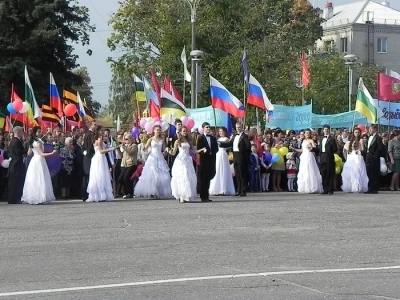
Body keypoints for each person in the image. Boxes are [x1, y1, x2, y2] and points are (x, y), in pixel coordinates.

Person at [21, 126, 58, 205]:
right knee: (41, 178)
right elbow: (41, 154)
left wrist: (34, 149)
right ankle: (40, 197)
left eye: (40, 131)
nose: (40, 133)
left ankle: (33, 196)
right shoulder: (39, 142)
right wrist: (52, 153)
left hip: (34, 161)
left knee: (34, 178)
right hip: (39, 161)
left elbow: (29, 153)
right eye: (38, 131)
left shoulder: (32, 142)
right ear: (35, 133)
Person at [168, 126, 204, 203]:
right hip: (180, 160)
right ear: (180, 132)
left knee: (188, 177)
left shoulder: (189, 141)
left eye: (186, 131)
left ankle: (186, 195)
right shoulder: (177, 141)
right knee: (182, 177)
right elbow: (173, 152)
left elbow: (194, 151)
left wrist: (201, 149)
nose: (185, 132)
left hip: (188, 160)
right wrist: (168, 151)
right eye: (183, 131)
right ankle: (181, 196)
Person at [134, 125, 172, 199]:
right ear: (154, 131)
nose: (158, 131)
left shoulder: (162, 139)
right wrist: (143, 145)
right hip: (152, 158)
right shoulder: (151, 139)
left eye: (159, 130)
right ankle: (152, 192)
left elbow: (164, 149)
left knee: (161, 176)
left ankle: (158, 192)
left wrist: (167, 149)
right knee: (152, 175)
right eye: (157, 130)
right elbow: (145, 148)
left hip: (160, 158)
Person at [219, 122, 251, 197]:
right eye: (237, 127)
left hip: (241, 155)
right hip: (235, 155)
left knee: (242, 173)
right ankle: (238, 190)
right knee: (237, 174)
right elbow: (229, 143)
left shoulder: (244, 136)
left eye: (239, 127)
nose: (238, 129)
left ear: (242, 127)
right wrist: (221, 144)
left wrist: (244, 153)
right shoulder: (234, 135)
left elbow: (248, 146)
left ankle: (243, 190)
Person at [86, 126, 117, 202]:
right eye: (101, 130)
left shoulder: (97, 139)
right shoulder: (99, 139)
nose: (103, 132)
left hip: (99, 158)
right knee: (101, 175)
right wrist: (112, 149)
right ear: (98, 131)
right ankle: (101, 194)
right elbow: (101, 151)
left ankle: (99, 195)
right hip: (100, 158)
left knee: (100, 175)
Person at [291, 129, 323, 194]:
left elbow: (314, 147)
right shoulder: (303, 141)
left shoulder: (311, 140)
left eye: (308, 133)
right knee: (304, 171)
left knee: (310, 170)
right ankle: (304, 187)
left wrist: (311, 147)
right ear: (304, 134)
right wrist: (294, 149)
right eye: (306, 133)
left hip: (309, 156)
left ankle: (312, 187)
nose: (307, 134)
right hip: (304, 157)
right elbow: (302, 150)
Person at [209, 127, 235, 196]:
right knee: (217, 170)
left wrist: (230, 140)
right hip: (218, 155)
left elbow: (224, 144)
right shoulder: (218, 139)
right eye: (219, 131)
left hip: (223, 155)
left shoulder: (226, 139)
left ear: (225, 132)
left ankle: (223, 189)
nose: (221, 133)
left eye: (222, 131)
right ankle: (216, 188)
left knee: (223, 170)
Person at [341, 127, 368, 193]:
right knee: (350, 172)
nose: (357, 133)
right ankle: (350, 186)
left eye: (358, 132)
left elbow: (362, 149)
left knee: (357, 172)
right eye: (356, 132)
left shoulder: (361, 140)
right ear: (353, 133)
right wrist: (348, 149)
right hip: (351, 156)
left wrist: (358, 151)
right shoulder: (350, 140)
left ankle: (357, 187)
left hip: (357, 156)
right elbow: (347, 148)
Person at [196, 122, 218, 202]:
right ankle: (203, 196)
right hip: (204, 161)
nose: (208, 129)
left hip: (211, 161)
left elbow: (216, 148)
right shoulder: (200, 138)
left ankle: (207, 196)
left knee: (209, 177)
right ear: (203, 128)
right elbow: (198, 149)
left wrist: (212, 152)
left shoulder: (213, 138)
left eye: (209, 127)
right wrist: (205, 152)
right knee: (203, 179)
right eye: (206, 127)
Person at [7, 126, 26, 204]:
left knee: (13, 183)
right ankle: (15, 199)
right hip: (16, 165)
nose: (22, 133)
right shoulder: (16, 141)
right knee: (16, 183)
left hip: (13, 164)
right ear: (17, 132)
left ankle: (12, 199)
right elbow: (18, 152)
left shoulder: (12, 141)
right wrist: (25, 151)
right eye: (21, 131)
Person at [365, 124, 384, 194]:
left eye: (371, 129)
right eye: (369, 129)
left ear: (375, 129)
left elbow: (380, 148)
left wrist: (374, 155)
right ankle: (370, 188)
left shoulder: (378, 137)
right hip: (368, 156)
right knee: (369, 172)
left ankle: (374, 188)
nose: (370, 130)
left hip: (374, 157)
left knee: (374, 173)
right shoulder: (369, 137)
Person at [319, 125, 338, 194]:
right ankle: (325, 189)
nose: (326, 130)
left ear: (329, 130)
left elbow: (335, 149)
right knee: (323, 173)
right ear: (323, 130)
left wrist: (329, 151)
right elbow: (320, 148)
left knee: (329, 173)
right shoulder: (320, 138)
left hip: (329, 156)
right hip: (322, 156)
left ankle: (330, 189)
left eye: (327, 129)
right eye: (325, 129)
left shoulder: (332, 139)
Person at [82, 121, 96, 201]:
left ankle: (85, 194)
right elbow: (89, 146)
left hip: (87, 155)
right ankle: (86, 194)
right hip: (89, 157)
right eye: (94, 124)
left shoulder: (88, 134)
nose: (95, 126)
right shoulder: (90, 134)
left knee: (87, 176)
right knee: (88, 175)